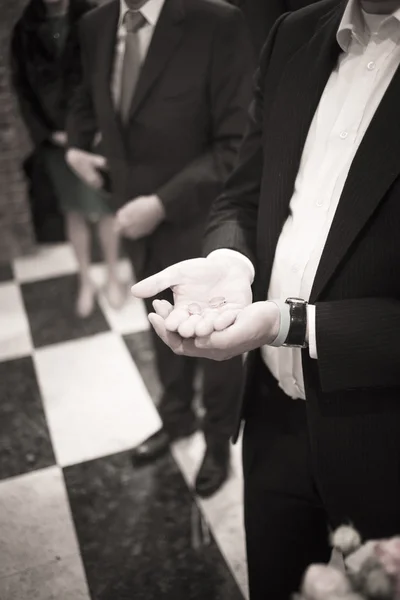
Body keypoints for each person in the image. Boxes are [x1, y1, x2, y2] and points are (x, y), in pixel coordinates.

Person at [131, 0, 400, 597]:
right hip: (274, 413)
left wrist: (289, 323)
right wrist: (229, 258)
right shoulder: (296, 33)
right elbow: (243, 194)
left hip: (385, 434)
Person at [66, 0, 254, 496]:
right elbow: (91, 93)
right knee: (158, 320)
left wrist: (161, 203)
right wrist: (77, 144)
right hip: (132, 213)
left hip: (202, 216)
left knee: (213, 337)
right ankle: (176, 420)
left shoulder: (217, 22)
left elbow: (235, 140)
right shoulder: (95, 23)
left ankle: (217, 444)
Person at [11, 0, 126, 318]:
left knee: (106, 210)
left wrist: (96, 128)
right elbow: (22, 88)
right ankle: (85, 279)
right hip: (54, 139)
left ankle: (114, 275)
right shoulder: (25, 28)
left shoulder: (94, 17)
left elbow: (110, 75)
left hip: (94, 135)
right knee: (73, 212)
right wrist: (48, 133)